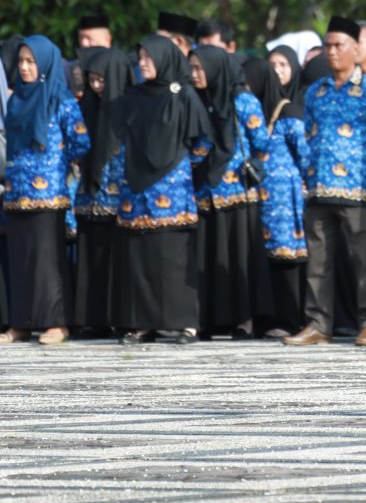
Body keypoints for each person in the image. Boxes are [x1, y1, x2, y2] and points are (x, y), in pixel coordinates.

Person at [283, 16, 366, 347]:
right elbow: (307, 136)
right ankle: (318, 323)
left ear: (356, 49)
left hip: (358, 189)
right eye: (327, 45)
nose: (330, 52)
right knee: (317, 262)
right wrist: (308, 170)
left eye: (338, 46)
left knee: (364, 262)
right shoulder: (315, 92)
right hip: (318, 189)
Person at [111, 35, 212, 344]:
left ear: (164, 58)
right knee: (140, 256)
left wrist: (181, 166)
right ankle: (144, 323)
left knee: (173, 257)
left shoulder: (183, 95)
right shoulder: (134, 96)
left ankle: (185, 324)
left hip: (172, 188)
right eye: (139, 58)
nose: (142, 64)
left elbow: (203, 140)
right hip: (137, 188)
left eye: (148, 58)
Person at [2, 37, 90, 344]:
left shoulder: (61, 100)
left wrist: (57, 160)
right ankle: (21, 323)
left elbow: (81, 142)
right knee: (20, 259)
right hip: (15, 194)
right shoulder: (16, 100)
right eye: (21, 62)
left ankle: (57, 322)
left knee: (47, 260)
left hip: (48, 193)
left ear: (45, 63)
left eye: (31, 62)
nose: (25, 68)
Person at [190, 46, 269, 337]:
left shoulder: (243, 101)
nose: (195, 75)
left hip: (238, 191)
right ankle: (207, 319)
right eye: (192, 69)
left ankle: (244, 320)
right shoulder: (196, 100)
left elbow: (261, 142)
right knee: (208, 256)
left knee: (239, 256)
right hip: (205, 192)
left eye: (199, 68)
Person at [244, 57, 310, 335]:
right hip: (260, 194)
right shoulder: (253, 110)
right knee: (264, 255)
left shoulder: (288, 110)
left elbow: (304, 153)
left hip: (284, 196)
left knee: (286, 255)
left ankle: (289, 318)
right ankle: (266, 318)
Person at [74, 47, 132, 335]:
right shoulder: (87, 106)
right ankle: (93, 318)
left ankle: (118, 319)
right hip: (90, 197)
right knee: (92, 257)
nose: (96, 87)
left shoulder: (131, 108)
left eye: (102, 80)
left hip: (119, 198)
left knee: (116, 259)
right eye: (92, 80)